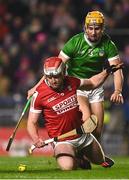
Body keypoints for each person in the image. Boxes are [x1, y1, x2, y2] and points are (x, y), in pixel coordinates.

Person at [27, 11, 124, 142]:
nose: (94, 32)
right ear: (85, 27)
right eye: (90, 28)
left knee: (98, 129)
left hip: (96, 86)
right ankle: (78, 154)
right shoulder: (74, 42)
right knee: (87, 120)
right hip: (77, 85)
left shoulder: (108, 45)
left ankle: (90, 155)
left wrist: (118, 90)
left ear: (102, 29)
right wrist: (36, 87)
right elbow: (54, 67)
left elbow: (117, 69)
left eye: (97, 28)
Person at [27, 57, 123, 170]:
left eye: (56, 76)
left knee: (99, 160)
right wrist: (36, 139)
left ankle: (81, 155)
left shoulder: (72, 81)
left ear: (63, 73)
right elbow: (31, 122)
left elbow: (92, 82)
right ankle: (77, 159)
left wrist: (107, 71)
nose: (53, 80)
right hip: (62, 140)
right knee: (68, 167)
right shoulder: (39, 95)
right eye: (49, 77)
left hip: (82, 134)